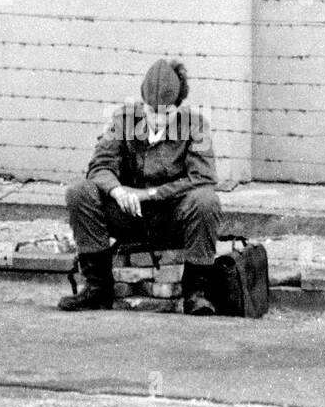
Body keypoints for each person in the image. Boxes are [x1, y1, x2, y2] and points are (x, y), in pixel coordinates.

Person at [58, 58, 222, 315]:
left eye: (166, 113)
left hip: (172, 217)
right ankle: (98, 288)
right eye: (150, 111)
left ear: (179, 107)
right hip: (129, 216)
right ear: (142, 104)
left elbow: (203, 178)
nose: (157, 120)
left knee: (206, 201)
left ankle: (196, 294)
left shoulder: (196, 125)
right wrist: (117, 191)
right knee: (80, 191)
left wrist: (150, 194)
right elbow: (100, 166)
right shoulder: (124, 119)